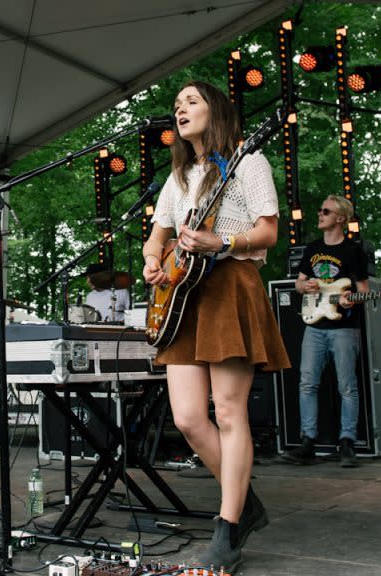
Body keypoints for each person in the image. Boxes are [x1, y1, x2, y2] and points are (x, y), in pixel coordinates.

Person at [141, 81, 290, 572]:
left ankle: (227, 531)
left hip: (230, 287)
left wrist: (221, 243)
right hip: (182, 297)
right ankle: (244, 505)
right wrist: (151, 260)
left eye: (191, 101)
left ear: (216, 110)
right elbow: (158, 233)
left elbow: (268, 230)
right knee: (187, 418)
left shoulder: (248, 163)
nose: (180, 110)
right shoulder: (180, 176)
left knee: (228, 413)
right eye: (177, 105)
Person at [279, 195, 368, 468]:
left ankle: (347, 443)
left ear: (340, 218)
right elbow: (299, 283)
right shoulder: (313, 249)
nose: (319, 214)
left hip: (343, 328)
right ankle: (308, 442)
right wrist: (305, 288)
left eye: (325, 211)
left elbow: (364, 291)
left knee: (347, 386)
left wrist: (349, 298)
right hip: (314, 325)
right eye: (319, 210)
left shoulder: (354, 251)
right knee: (307, 383)